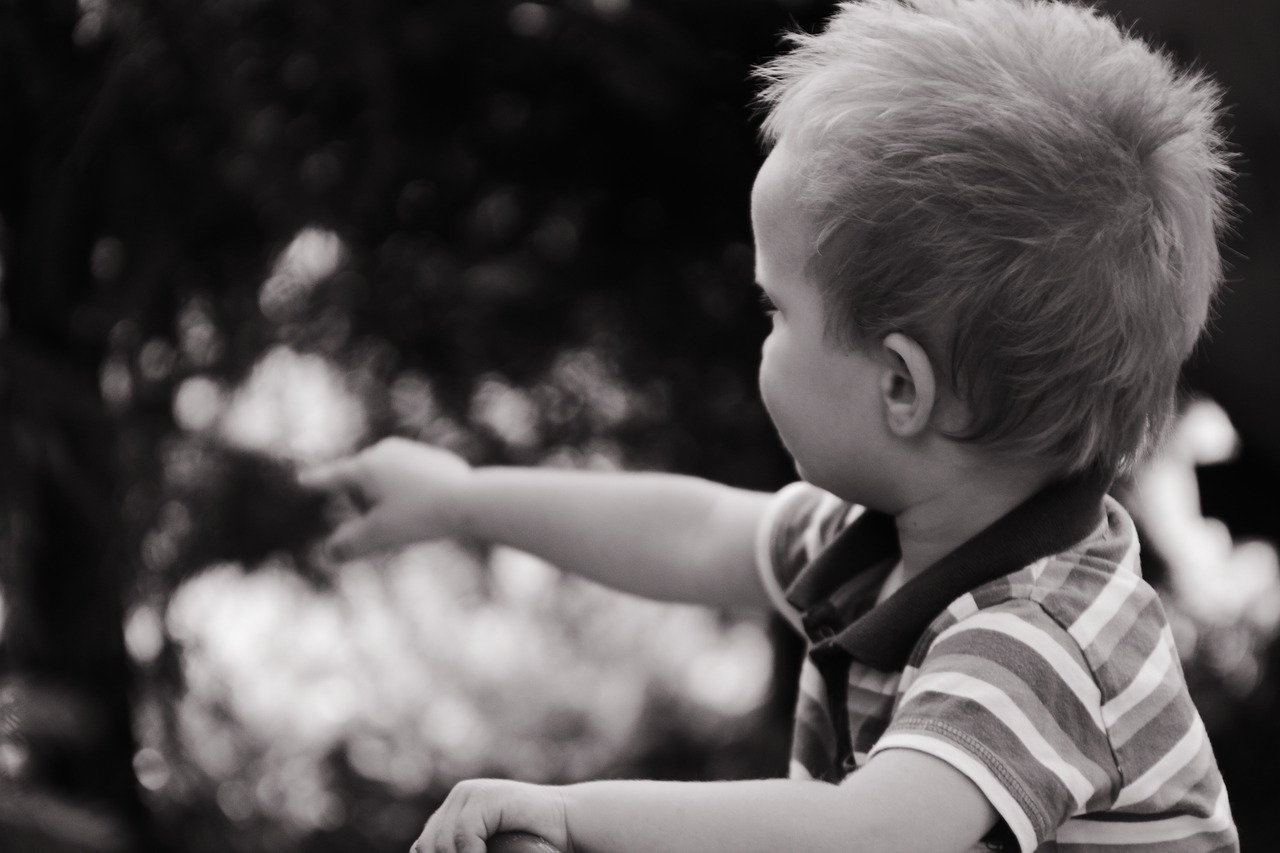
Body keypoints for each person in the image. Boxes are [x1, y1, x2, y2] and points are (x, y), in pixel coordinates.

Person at [301, 0, 1237, 850]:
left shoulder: (1041, 641)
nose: (764, 334)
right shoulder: (899, 539)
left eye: (775, 310)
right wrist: (462, 501)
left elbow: (858, 833)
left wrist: (573, 814)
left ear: (901, 387)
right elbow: (700, 530)